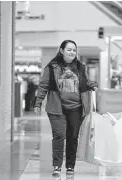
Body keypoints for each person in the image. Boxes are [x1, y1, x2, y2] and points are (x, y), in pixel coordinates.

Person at [34, 40, 98, 176]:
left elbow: (85, 81)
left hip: (77, 107)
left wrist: (92, 84)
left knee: (73, 136)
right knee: (59, 135)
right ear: (62, 50)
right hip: (57, 107)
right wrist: (38, 102)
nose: (72, 52)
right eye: (69, 49)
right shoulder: (52, 67)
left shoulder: (80, 67)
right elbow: (43, 85)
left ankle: (70, 165)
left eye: (74, 50)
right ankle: (57, 165)